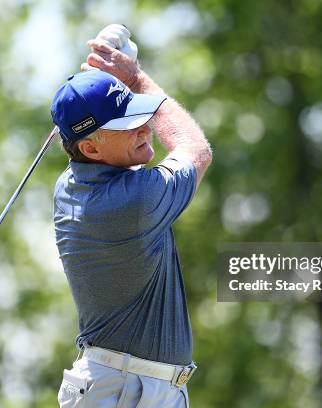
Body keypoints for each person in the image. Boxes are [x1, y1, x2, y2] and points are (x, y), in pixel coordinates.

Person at [50, 28, 212, 408]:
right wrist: (135, 78)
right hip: (128, 390)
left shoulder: (69, 184)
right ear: (90, 147)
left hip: (125, 385)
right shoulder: (133, 202)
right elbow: (196, 149)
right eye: (127, 125)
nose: (144, 127)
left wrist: (96, 93)